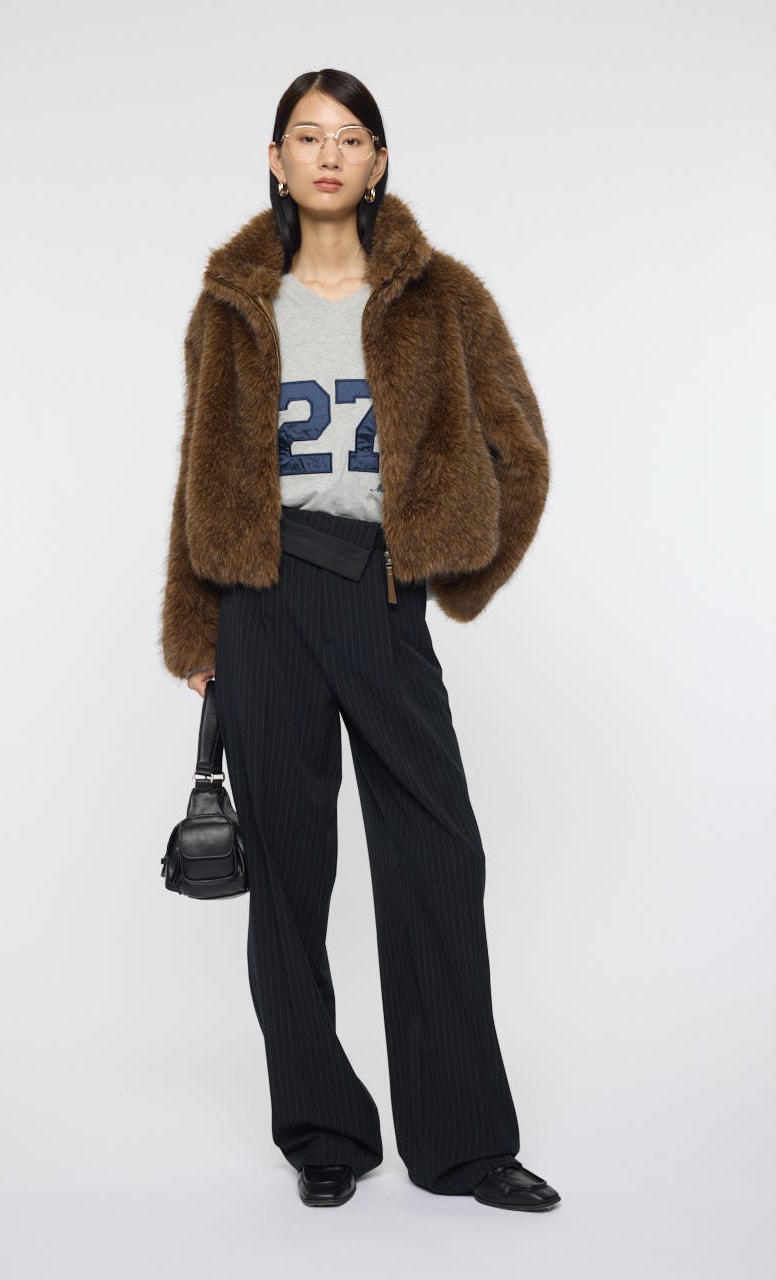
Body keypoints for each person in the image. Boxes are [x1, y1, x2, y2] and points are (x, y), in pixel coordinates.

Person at [159, 67, 560, 1212]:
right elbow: (199, 472)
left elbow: (521, 449)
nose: (327, 154)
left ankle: (464, 1143)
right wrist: (198, 624)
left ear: (379, 161)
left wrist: (453, 571)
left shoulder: (442, 296)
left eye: (350, 137)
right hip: (265, 600)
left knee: (438, 859)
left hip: (381, 594)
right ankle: (323, 1131)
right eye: (306, 135)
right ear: (276, 160)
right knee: (289, 873)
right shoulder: (232, 304)